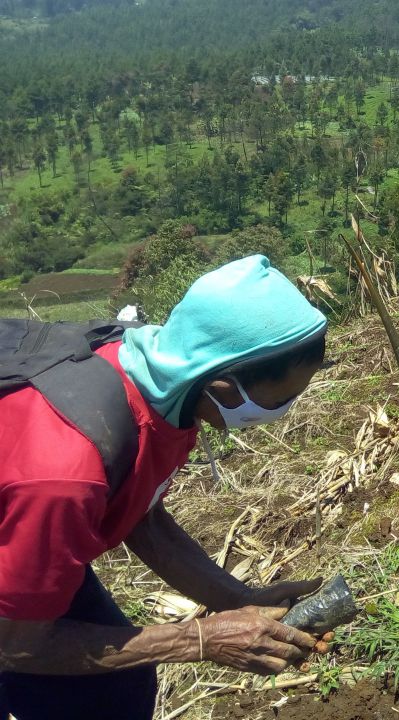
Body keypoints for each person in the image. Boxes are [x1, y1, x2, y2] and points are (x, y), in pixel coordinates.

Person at [0, 255, 333, 720]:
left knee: (116, 688)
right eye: (281, 398)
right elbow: (15, 644)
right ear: (225, 384)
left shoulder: (163, 382)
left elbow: (141, 512)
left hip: (23, 532)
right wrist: (201, 638)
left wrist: (239, 600)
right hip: (21, 556)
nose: (287, 410)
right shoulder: (66, 477)